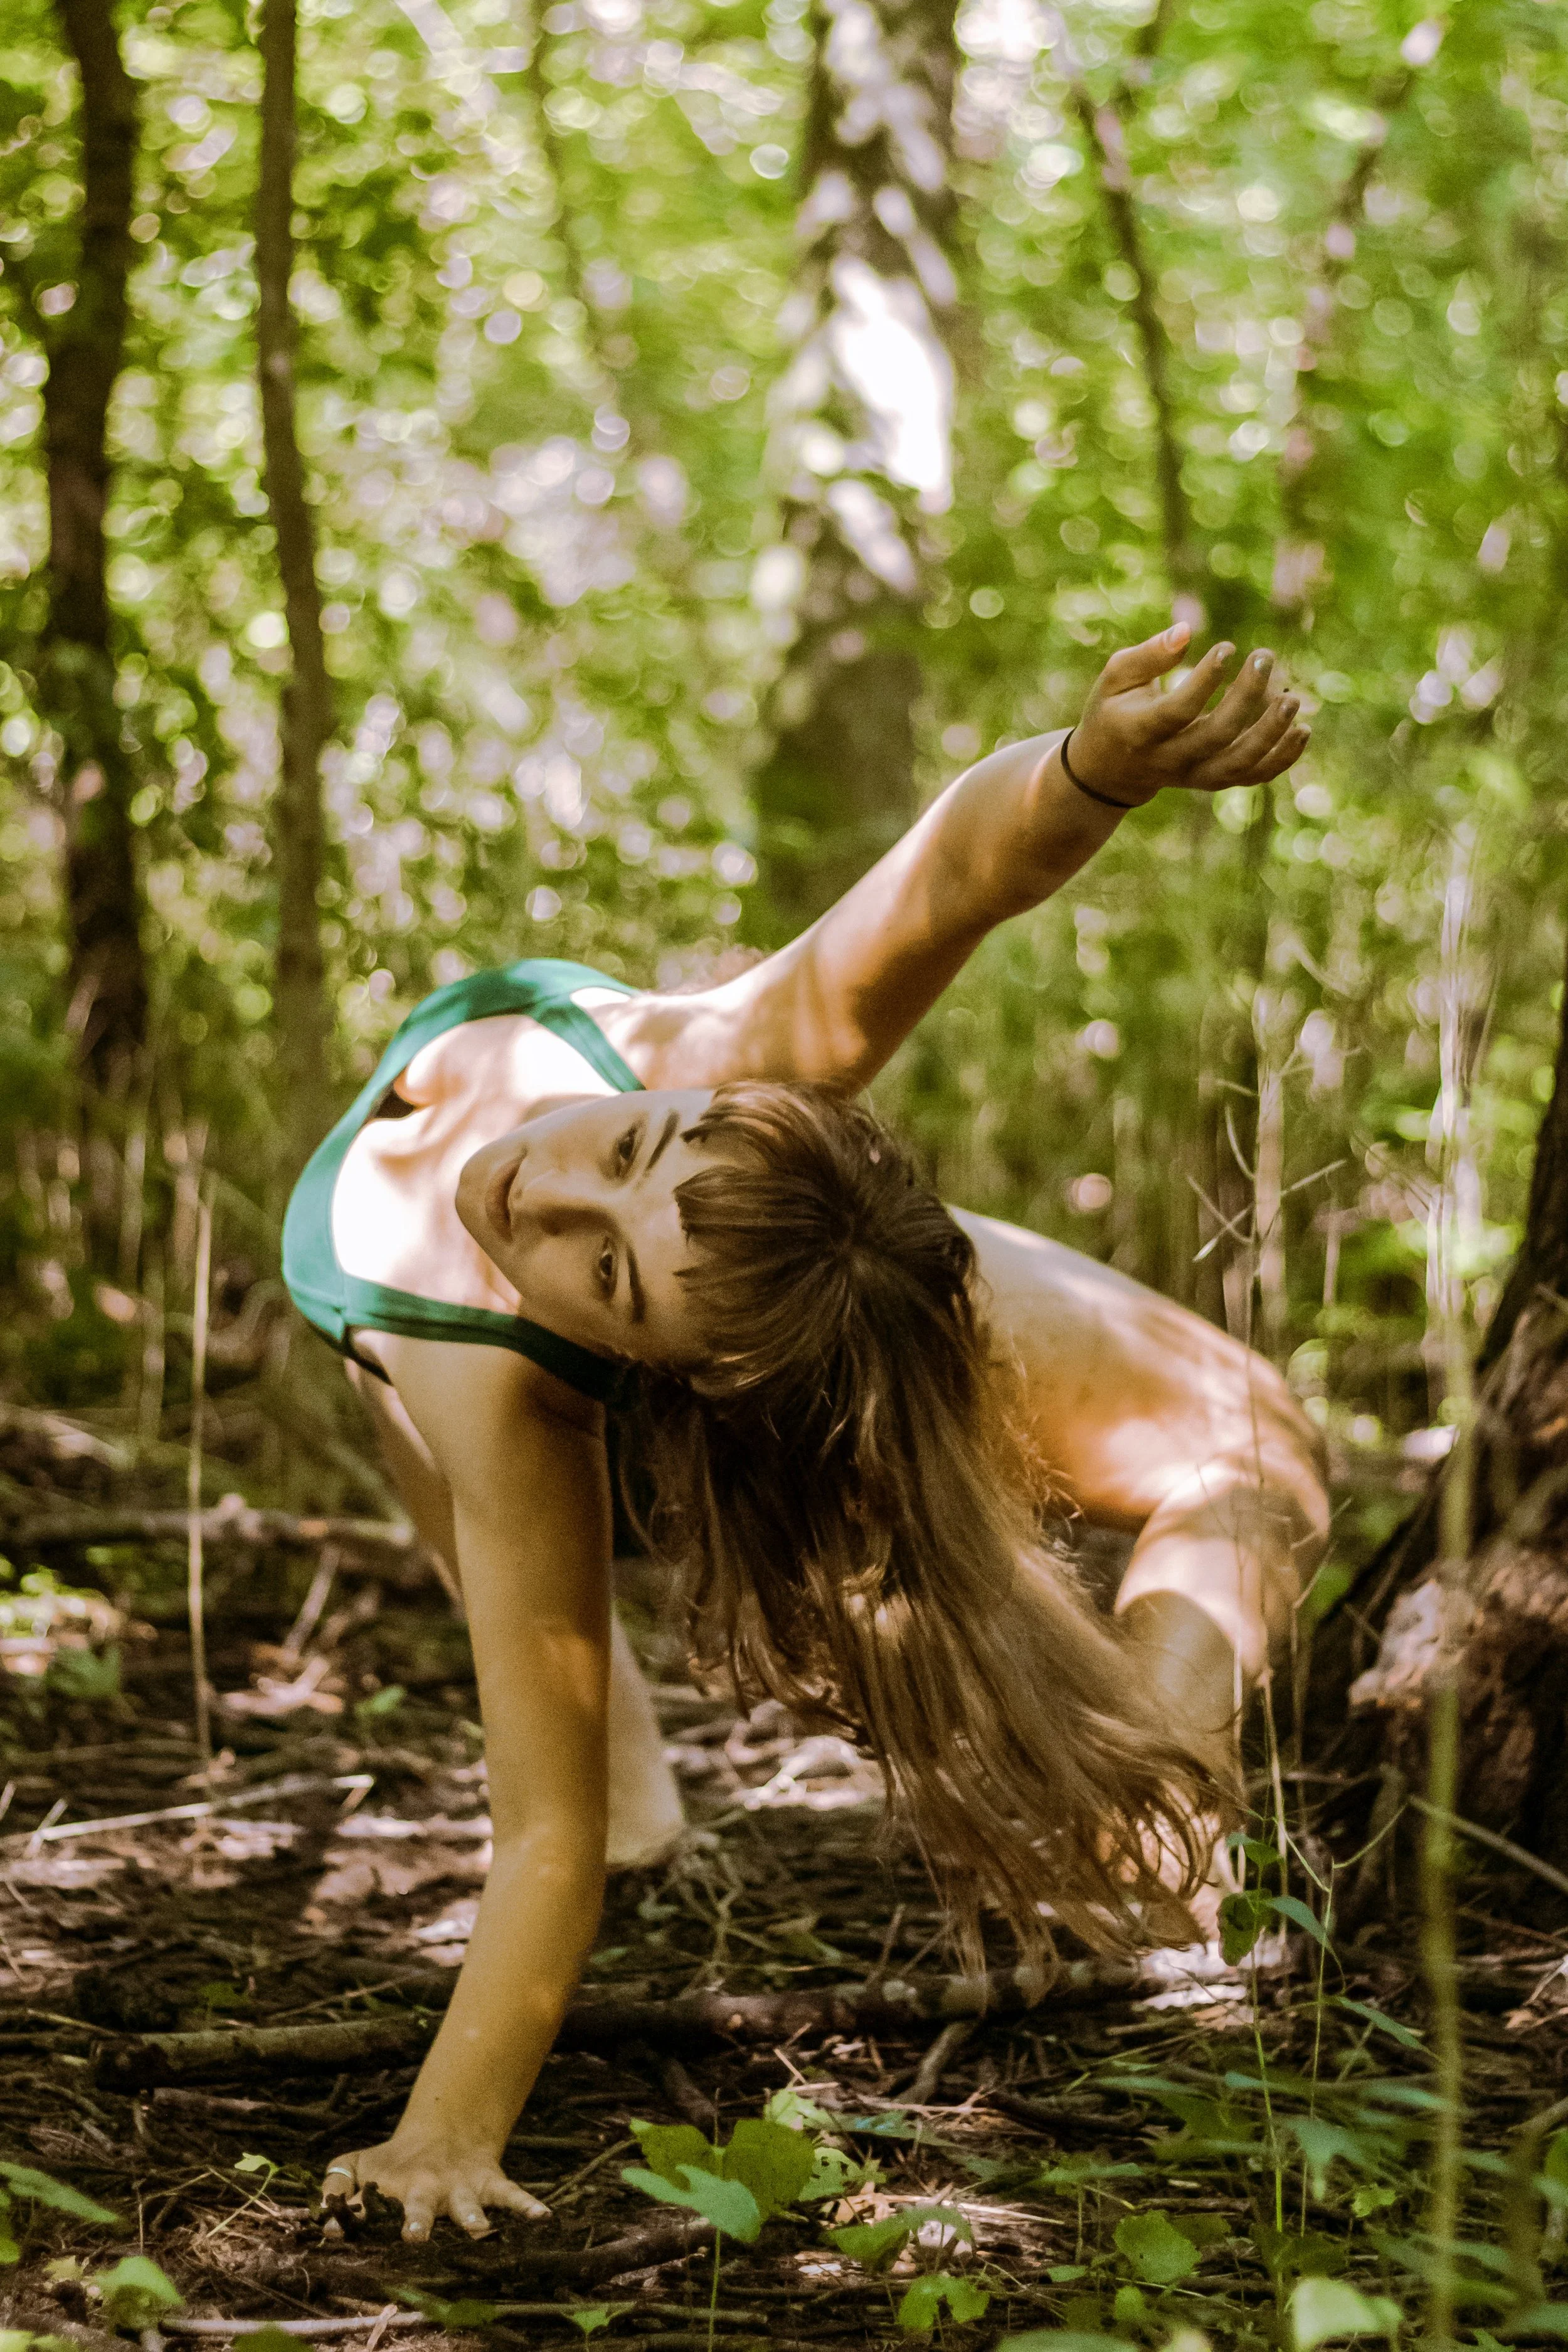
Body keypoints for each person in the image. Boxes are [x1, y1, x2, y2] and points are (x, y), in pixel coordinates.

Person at [283, 623, 1328, 2243]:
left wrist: (443, 2135)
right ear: (687, 1109)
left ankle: (1158, 1809)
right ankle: (670, 1784)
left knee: (1251, 1447)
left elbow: (532, 1829)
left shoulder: (504, 1386)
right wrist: (1093, 768)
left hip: (893, 1324)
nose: (540, 1189)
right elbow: (947, 878)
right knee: (448, 1394)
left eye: (602, 1272)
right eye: (619, 1151)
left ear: (647, 1368)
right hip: (817, 1255)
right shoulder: (719, 1073)